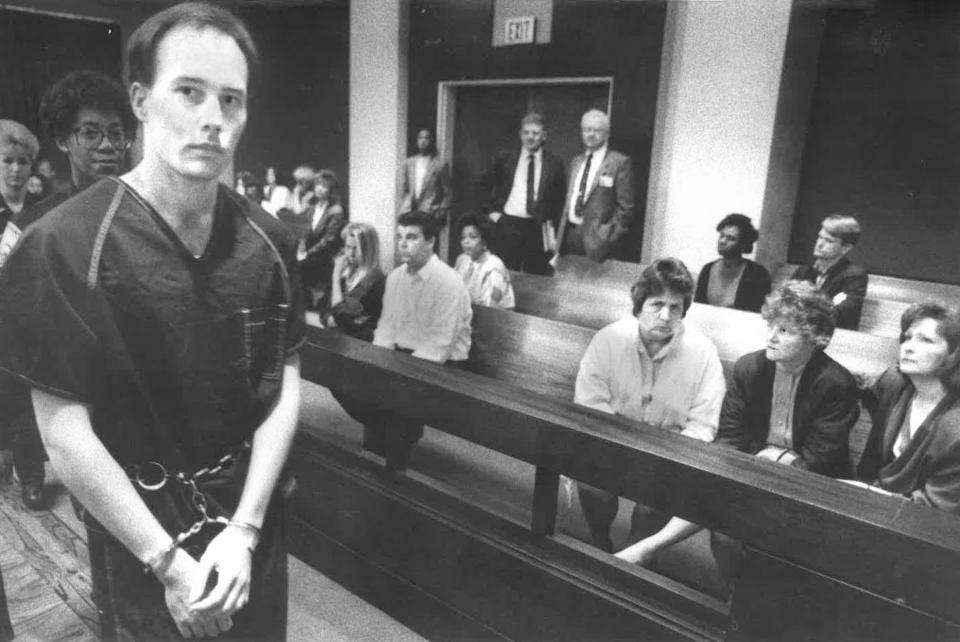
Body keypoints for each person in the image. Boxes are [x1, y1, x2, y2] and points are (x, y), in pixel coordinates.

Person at [0, 4, 305, 639]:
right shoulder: (62, 244)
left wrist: (245, 531)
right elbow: (61, 429)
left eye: (231, 99)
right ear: (140, 99)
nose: (213, 119)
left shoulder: (269, 239)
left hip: (249, 521)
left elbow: (285, 379)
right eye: (189, 92)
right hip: (141, 527)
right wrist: (168, 565)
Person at [615, 281, 861, 572]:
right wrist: (741, 467)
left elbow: (820, 458)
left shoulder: (835, 383)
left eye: (785, 331)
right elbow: (730, 436)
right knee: (655, 501)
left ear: (814, 338)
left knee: (727, 533)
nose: (771, 336)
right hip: (749, 467)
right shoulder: (750, 368)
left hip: (807, 487)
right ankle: (636, 569)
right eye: (771, 326)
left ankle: (647, 553)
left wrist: (769, 464)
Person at [0, 69, 135, 511]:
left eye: (116, 133)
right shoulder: (37, 223)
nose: (108, 146)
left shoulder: (143, 211)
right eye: (90, 133)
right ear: (63, 141)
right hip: (68, 381)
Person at [574, 258, 725, 553]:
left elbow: (703, 424)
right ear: (639, 306)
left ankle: (635, 556)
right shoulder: (608, 340)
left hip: (670, 455)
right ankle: (599, 541)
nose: (666, 316)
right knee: (593, 486)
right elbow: (590, 405)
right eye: (657, 305)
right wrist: (622, 448)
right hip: (611, 443)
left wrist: (663, 459)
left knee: (652, 507)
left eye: (676, 307)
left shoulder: (703, 352)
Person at [370, 210, 472, 456]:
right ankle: (385, 445)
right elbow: (386, 328)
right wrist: (374, 362)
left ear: (430, 242)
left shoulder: (448, 282)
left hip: (445, 367)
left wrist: (396, 374)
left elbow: (439, 346)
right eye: (400, 237)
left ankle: (395, 459)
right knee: (354, 380)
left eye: (412, 237)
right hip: (404, 358)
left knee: (395, 395)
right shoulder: (395, 278)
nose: (403, 244)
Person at [856, 302, 960, 514]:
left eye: (926, 340)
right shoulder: (893, 383)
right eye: (907, 337)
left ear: (954, 354)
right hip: (872, 500)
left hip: (922, 524)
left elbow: (938, 507)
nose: (908, 347)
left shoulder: (955, 425)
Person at [479, 113, 566, 275]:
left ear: (544, 136)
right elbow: (483, 184)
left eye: (535, 133)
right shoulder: (505, 158)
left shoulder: (555, 164)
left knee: (537, 277)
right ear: (520, 135)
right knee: (504, 274)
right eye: (526, 132)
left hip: (539, 228)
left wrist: (554, 235)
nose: (530, 137)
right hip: (509, 225)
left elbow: (560, 201)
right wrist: (491, 212)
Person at [555, 109, 634, 262]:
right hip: (570, 236)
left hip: (599, 242)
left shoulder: (619, 162)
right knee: (567, 283)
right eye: (586, 130)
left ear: (606, 134)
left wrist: (608, 236)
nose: (590, 134)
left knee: (590, 285)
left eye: (596, 130)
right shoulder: (576, 162)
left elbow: (626, 209)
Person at [792, 214, 867, 331]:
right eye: (820, 237)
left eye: (828, 241)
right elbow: (786, 303)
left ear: (845, 248)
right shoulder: (803, 271)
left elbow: (838, 314)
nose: (820, 244)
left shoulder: (855, 276)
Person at [694, 213, 771, 312]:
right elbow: (699, 307)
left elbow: (755, 314)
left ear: (743, 244)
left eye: (731, 238)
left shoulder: (758, 274)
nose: (722, 241)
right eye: (722, 235)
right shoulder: (708, 269)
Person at [325, 221, 386, 342]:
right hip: (337, 337)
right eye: (347, 247)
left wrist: (335, 278)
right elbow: (326, 306)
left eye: (356, 249)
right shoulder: (346, 272)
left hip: (359, 342)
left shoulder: (375, 279)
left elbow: (342, 316)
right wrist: (327, 318)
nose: (350, 254)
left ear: (369, 250)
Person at [298, 168, 346, 309]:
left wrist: (307, 253)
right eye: (318, 184)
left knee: (299, 266)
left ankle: (310, 302)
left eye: (324, 186)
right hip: (311, 253)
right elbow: (303, 231)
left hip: (325, 256)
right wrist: (301, 249)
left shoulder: (336, 210)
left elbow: (329, 240)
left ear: (331, 190)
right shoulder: (312, 207)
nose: (320, 188)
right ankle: (304, 301)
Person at [454, 214, 515, 309]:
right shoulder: (462, 260)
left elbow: (491, 308)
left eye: (473, 237)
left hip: (493, 319)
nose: (466, 241)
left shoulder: (494, 267)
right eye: (463, 237)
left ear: (485, 241)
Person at [399, 127, 451, 223]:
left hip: (429, 212)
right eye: (420, 138)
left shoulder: (440, 164)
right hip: (410, 210)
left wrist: (441, 209)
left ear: (432, 141)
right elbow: (405, 188)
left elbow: (447, 191)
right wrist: (405, 204)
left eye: (426, 138)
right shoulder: (409, 163)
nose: (423, 141)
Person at [0, 120, 42, 236]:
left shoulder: (42, 207)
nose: (16, 169)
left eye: (22, 162)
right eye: (8, 161)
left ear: (31, 166)